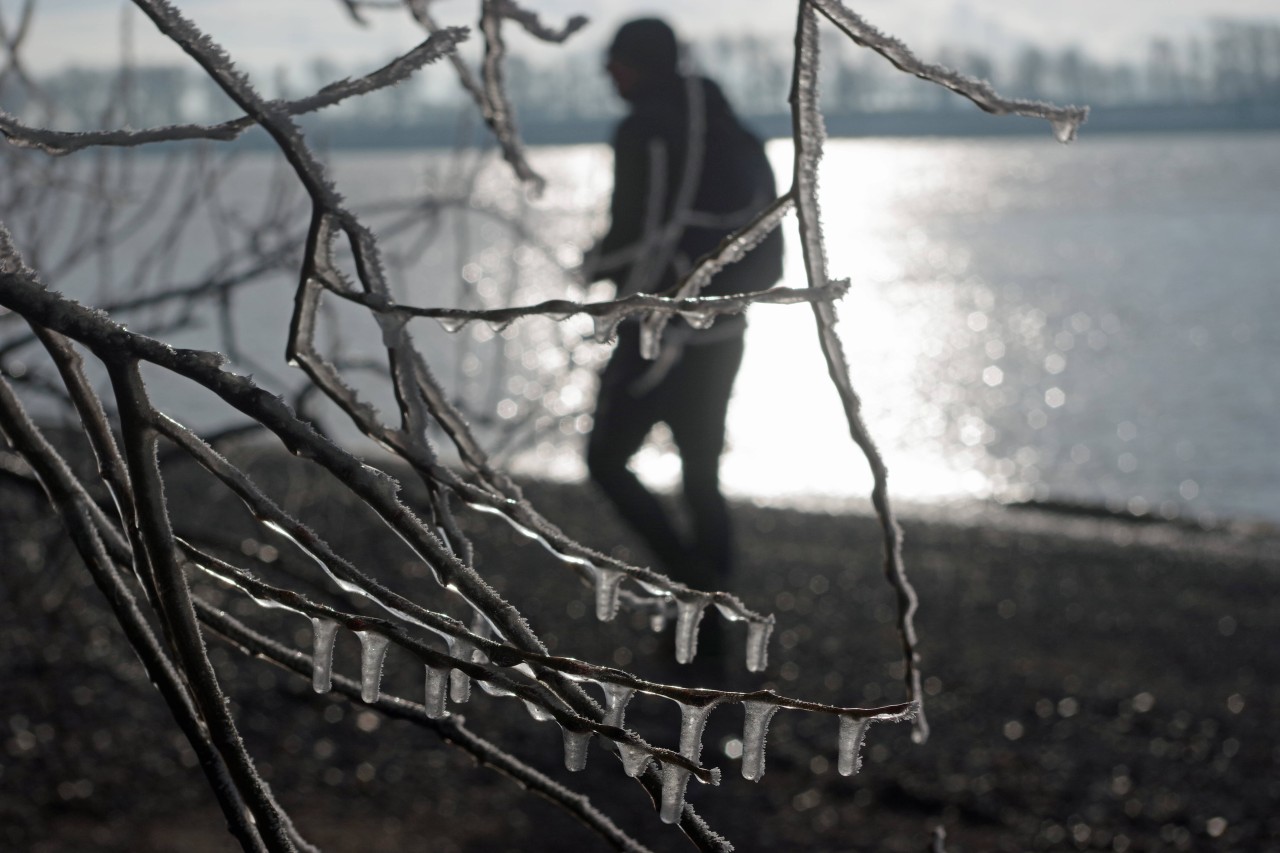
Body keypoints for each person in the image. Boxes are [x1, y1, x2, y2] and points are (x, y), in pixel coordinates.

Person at [583, 18, 783, 596]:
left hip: (657, 328)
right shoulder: (735, 131)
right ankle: (716, 615)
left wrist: (597, 267)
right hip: (724, 330)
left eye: (615, 60)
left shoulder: (643, 130)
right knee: (701, 476)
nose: (607, 72)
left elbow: (635, 234)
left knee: (605, 459)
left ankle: (688, 582)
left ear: (639, 64)